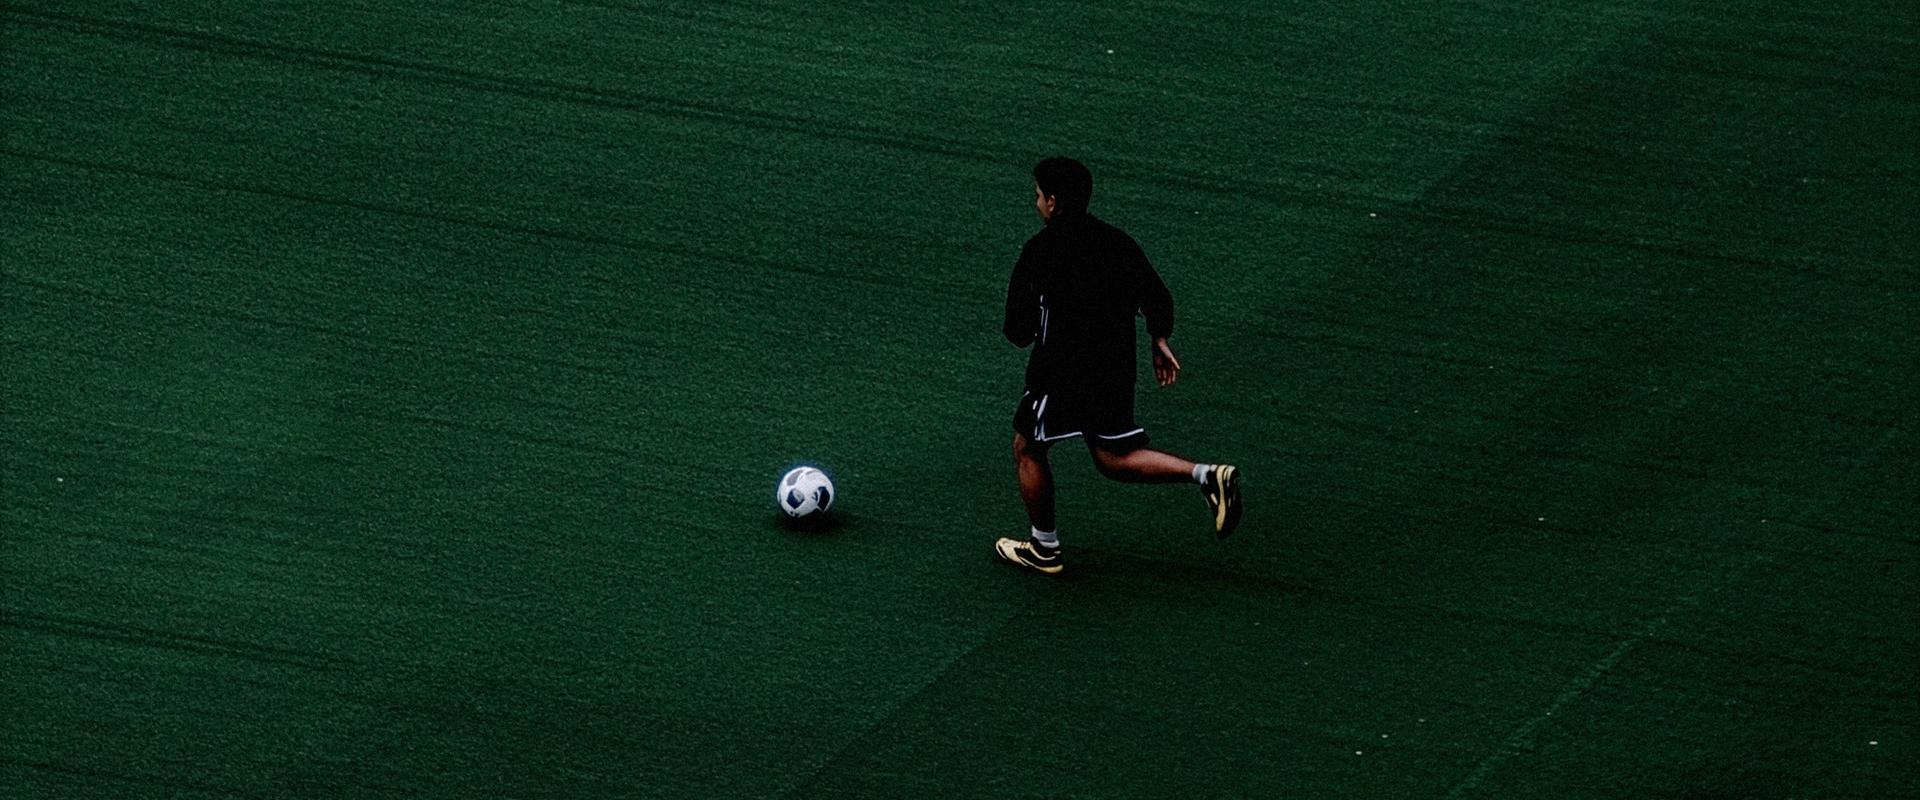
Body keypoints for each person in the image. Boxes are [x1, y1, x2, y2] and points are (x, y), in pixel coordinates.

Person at [995, 156, 1243, 575]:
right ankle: (1205, 475)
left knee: (1028, 447)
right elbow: (1156, 295)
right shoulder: (1117, 242)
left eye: (1038, 195)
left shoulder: (1040, 251)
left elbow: (1017, 330)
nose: (1036, 202)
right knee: (1112, 455)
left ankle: (1044, 548)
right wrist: (1159, 338)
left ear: (1053, 202)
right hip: (1114, 368)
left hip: (1060, 370)